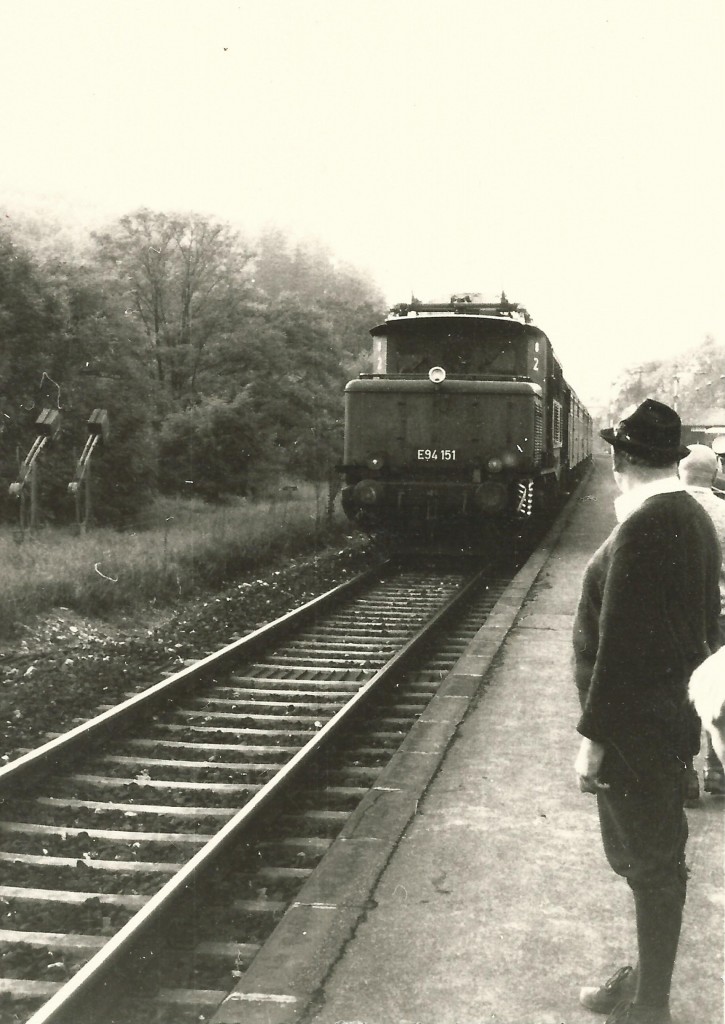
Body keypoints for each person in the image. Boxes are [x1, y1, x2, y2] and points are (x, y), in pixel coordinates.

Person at [572, 399, 721, 1024]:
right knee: (649, 858)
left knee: (651, 862)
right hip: (664, 720)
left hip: (636, 726)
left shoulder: (645, 524)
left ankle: (650, 1003)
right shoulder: (690, 515)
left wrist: (593, 737)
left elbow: (623, 644)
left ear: (618, 458)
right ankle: (645, 979)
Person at [679, 443, 725, 794]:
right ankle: (716, 769)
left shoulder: (666, 511)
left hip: (680, 620)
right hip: (722, 617)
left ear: (681, 471)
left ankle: (684, 776)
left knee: (680, 692)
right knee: (719, 692)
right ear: (716, 474)